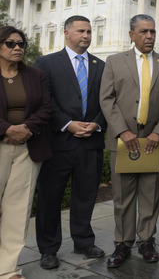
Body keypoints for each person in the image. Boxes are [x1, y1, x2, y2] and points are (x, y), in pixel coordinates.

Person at [99, 15, 159, 268]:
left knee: (151, 194)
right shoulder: (114, 62)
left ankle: (146, 240)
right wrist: (122, 130)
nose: (150, 36)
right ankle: (123, 243)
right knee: (122, 195)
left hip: (153, 140)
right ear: (132, 35)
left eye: (153, 31)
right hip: (124, 140)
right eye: (144, 31)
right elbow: (107, 99)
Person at [35, 15, 107, 270]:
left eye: (89, 31)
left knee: (85, 196)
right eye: (81, 31)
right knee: (49, 199)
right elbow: (45, 101)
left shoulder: (101, 65)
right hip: (58, 143)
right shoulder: (46, 63)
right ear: (66, 33)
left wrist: (97, 123)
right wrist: (68, 123)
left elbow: (108, 101)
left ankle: (84, 240)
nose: (86, 35)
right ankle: (48, 249)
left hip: (91, 144)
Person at [0, 26, 51, 279]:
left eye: (21, 43)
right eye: (10, 43)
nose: (17, 48)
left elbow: (45, 107)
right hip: (1, 144)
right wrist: (7, 129)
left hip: (27, 148)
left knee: (18, 210)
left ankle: (8, 269)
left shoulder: (35, 75)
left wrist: (26, 128)